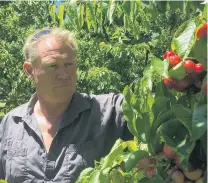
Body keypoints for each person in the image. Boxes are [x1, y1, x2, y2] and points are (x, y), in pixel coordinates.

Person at [0, 28, 133, 182]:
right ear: (30, 71)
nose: (64, 74)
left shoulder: (109, 111)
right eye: (53, 65)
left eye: (69, 64)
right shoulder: (11, 124)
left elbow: (154, 108)